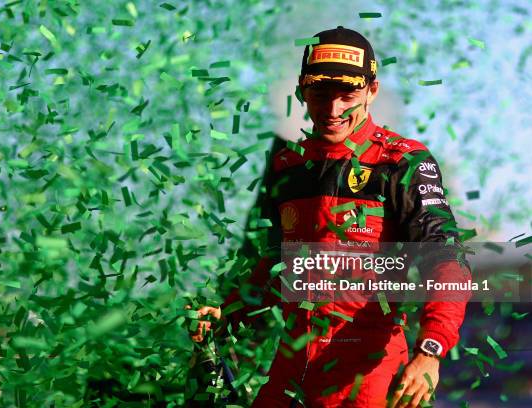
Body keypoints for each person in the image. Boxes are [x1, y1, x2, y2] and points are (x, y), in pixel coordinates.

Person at [190, 26, 471, 407]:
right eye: (320, 93)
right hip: (293, 368)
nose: (333, 109)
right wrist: (231, 310)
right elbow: (277, 265)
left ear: (372, 91)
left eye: (348, 94)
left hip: (368, 372)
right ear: (302, 91)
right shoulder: (289, 165)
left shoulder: (402, 161)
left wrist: (431, 349)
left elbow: (446, 257)